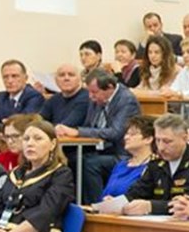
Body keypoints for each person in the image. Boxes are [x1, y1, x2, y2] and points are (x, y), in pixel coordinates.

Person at [58, 69, 141, 205]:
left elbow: (115, 132)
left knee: (90, 164)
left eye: (94, 92)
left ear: (109, 87)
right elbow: (90, 124)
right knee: (71, 158)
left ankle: (96, 205)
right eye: (89, 92)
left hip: (121, 153)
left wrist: (78, 132)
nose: (90, 96)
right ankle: (75, 203)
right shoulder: (96, 99)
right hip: (100, 148)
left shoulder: (126, 100)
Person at [116, 114, 189, 218]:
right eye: (157, 140)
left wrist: (151, 206)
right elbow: (138, 191)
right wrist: (117, 203)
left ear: (184, 138)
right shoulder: (156, 161)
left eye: (167, 141)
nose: (161, 147)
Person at [95, 115, 155, 202]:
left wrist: (117, 202)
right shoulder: (121, 165)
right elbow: (106, 193)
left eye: (132, 134)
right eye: (127, 134)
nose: (126, 137)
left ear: (148, 139)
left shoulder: (153, 167)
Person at [38, 64, 90, 128]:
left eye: (71, 75)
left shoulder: (86, 98)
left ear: (79, 79)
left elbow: (66, 126)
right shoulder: (53, 99)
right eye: (62, 75)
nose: (66, 78)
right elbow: (39, 121)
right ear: (56, 80)